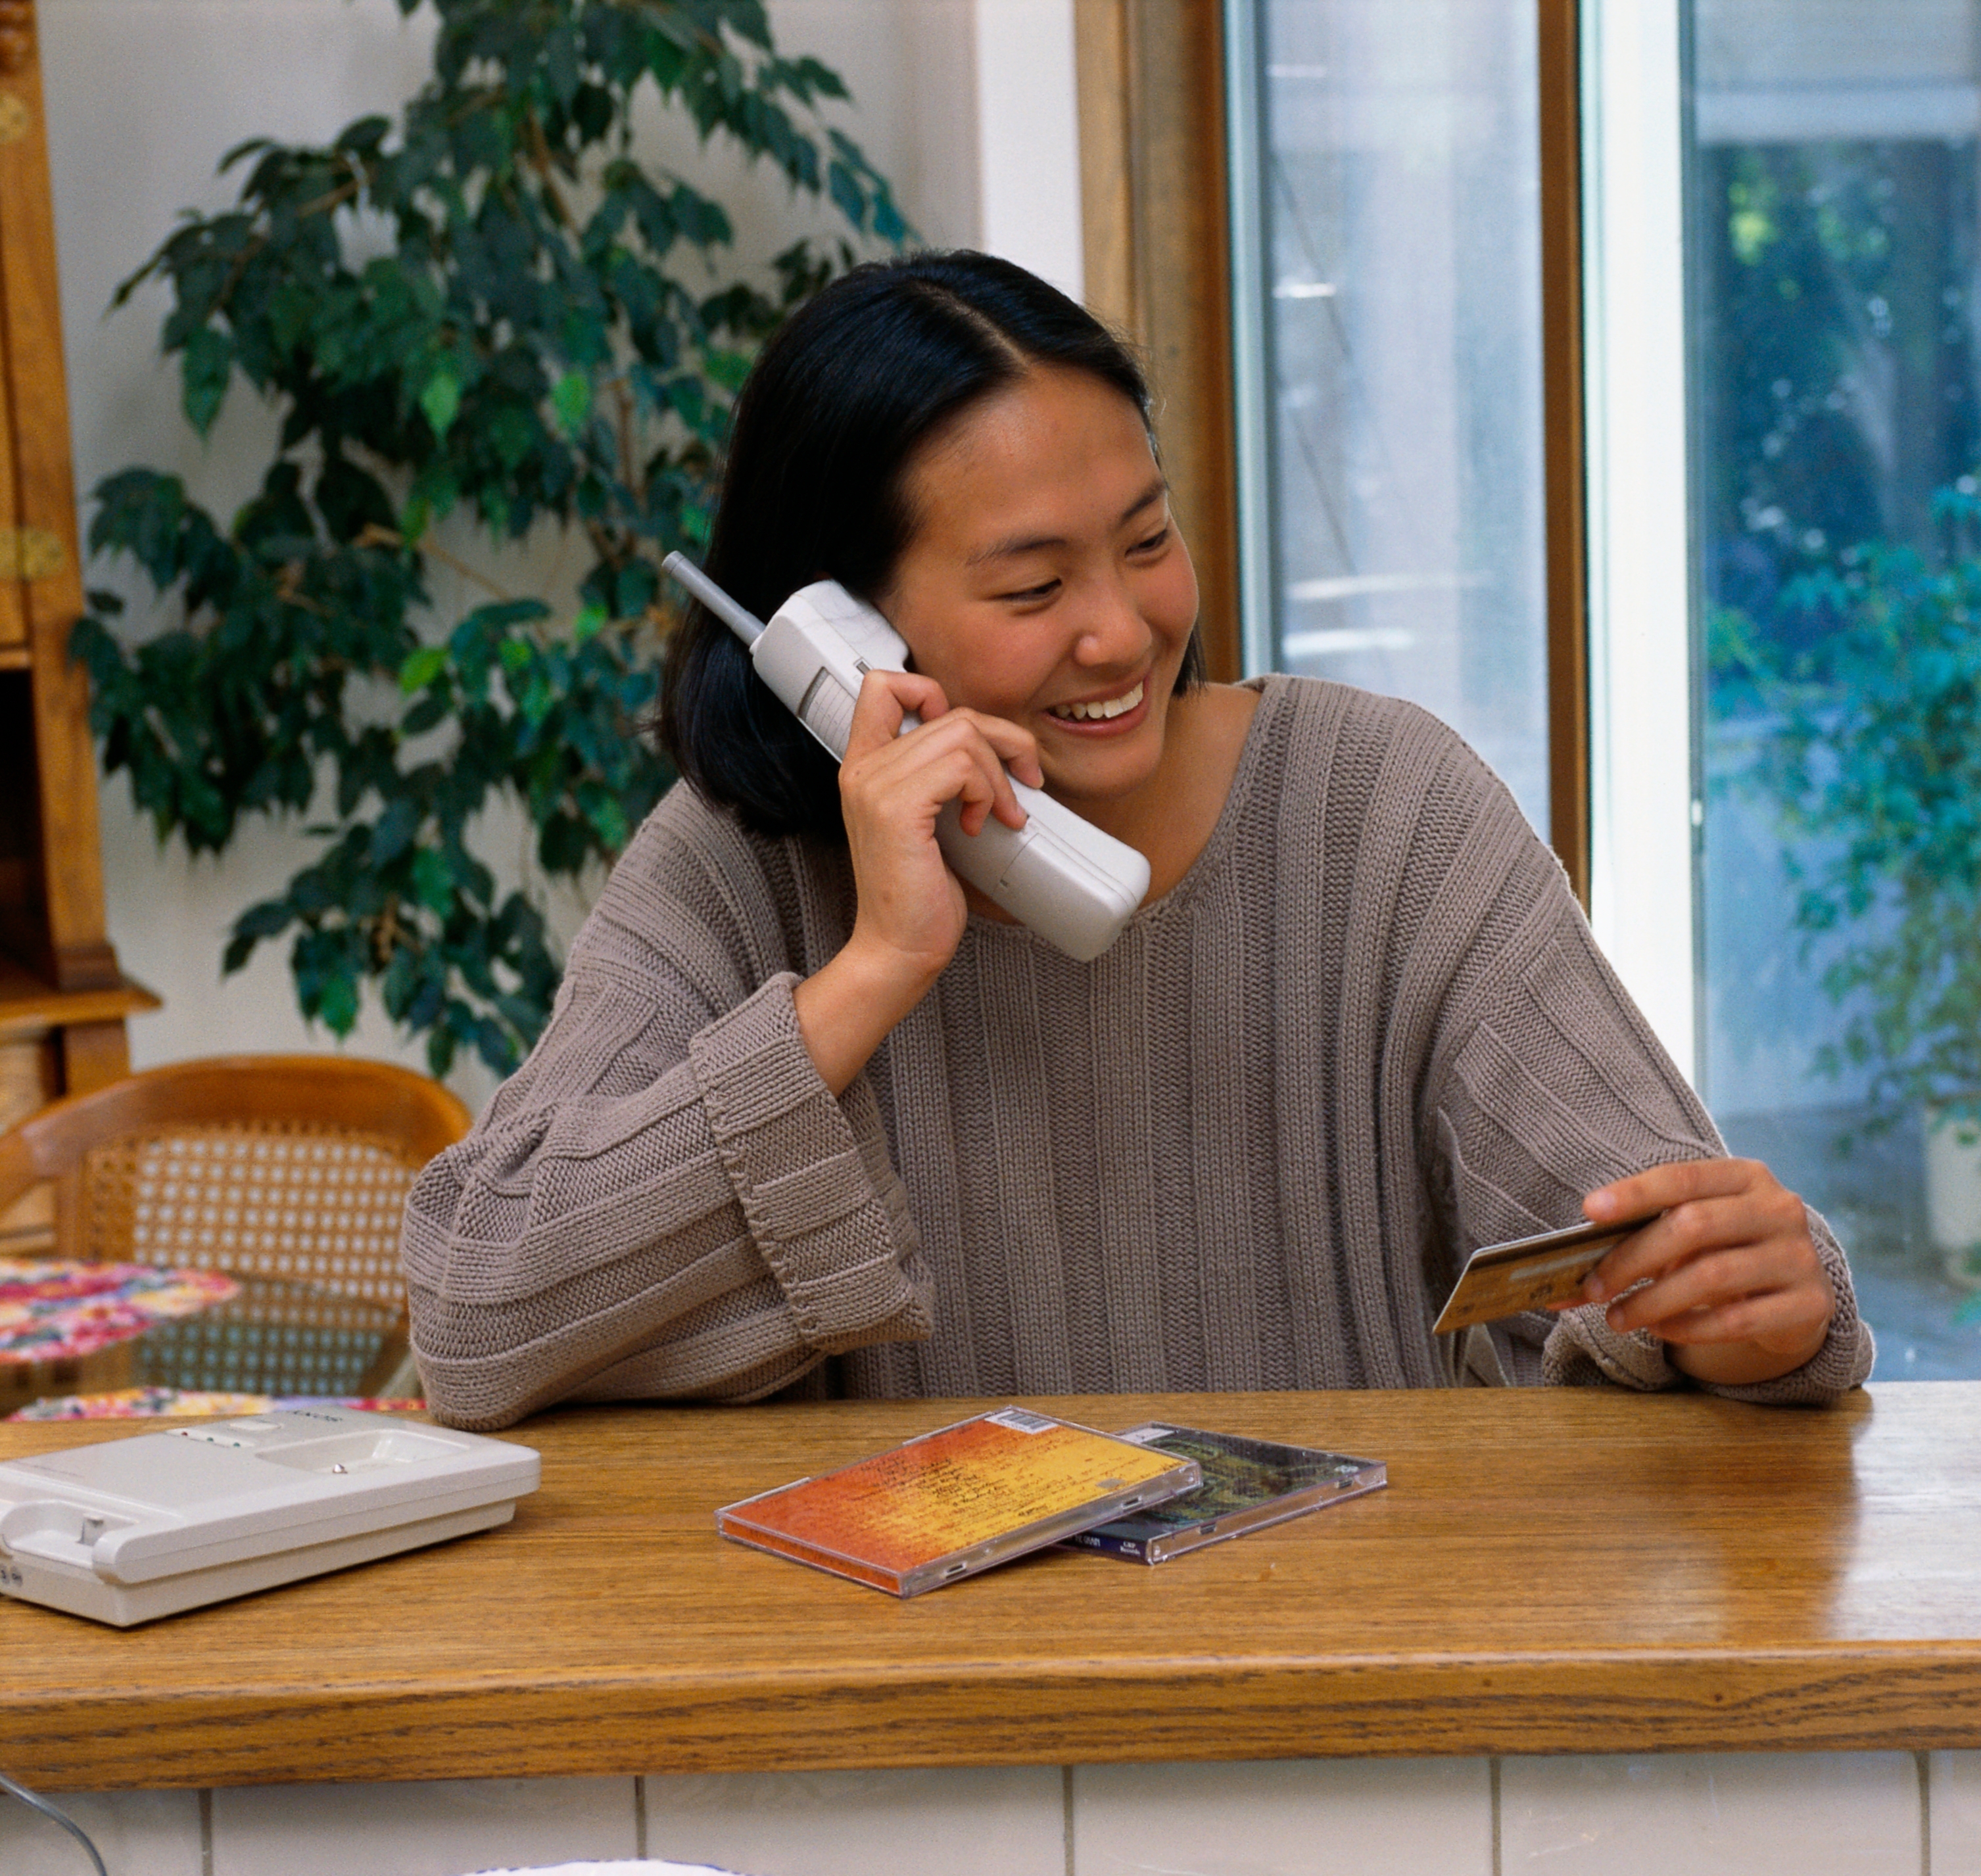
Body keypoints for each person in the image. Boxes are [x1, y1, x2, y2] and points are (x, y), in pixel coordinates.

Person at [399, 251, 1870, 1431]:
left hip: (1352, 1678)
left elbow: (1650, 1272)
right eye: (1034, 586)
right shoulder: (739, 866)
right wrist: (876, 968)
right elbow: (472, 1321)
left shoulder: (1387, 808)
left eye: (1149, 540)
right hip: (918, 1712)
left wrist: (1748, 1320)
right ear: (840, 633)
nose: (1124, 627)